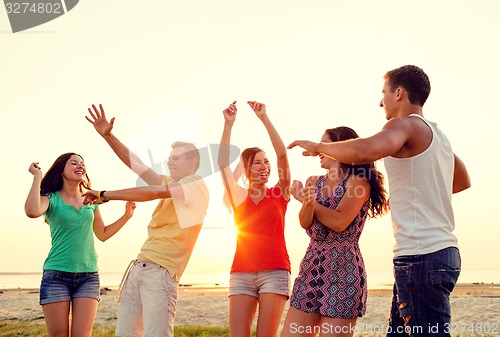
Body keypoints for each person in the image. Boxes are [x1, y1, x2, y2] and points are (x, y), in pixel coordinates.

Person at [288, 65, 471, 337]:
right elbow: (461, 180)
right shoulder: (438, 137)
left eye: (383, 93)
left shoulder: (403, 124)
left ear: (399, 93)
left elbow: (367, 150)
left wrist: (319, 147)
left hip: (421, 257)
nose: (380, 101)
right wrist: (413, 194)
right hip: (434, 255)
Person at [84, 104, 209, 337]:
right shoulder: (168, 182)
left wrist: (104, 195)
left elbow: (151, 193)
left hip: (161, 274)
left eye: (177, 159)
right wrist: (108, 136)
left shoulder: (194, 184)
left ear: (192, 163)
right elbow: (137, 164)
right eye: (169, 158)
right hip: (139, 267)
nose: (170, 163)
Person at [282, 126, 388, 337]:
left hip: (344, 270)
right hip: (312, 264)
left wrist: (305, 199)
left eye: (325, 143)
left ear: (341, 148)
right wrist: (307, 203)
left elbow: (340, 222)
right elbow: (305, 223)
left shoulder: (358, 182)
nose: (318, 150)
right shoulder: (314, 181)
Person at [24, 153, 136, 337]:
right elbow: (32, 211)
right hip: (56, 275)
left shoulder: (91, 200)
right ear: (61, 171)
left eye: (82, 164)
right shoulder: (51, 198)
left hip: (88, 277)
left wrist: (126, 216)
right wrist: (37, 177)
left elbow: (103, 234)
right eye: (74, 163)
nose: (80, 166)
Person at [218, 101, 291, 337]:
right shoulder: (238, 196)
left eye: (265, 161)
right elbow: (222, 164)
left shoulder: (280, 193)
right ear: (246, 170)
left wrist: (264, 118)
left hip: (275, 272)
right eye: (256, 162)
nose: (264, 166)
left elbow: (281, 154)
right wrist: (228, 124)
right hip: (241, 274)